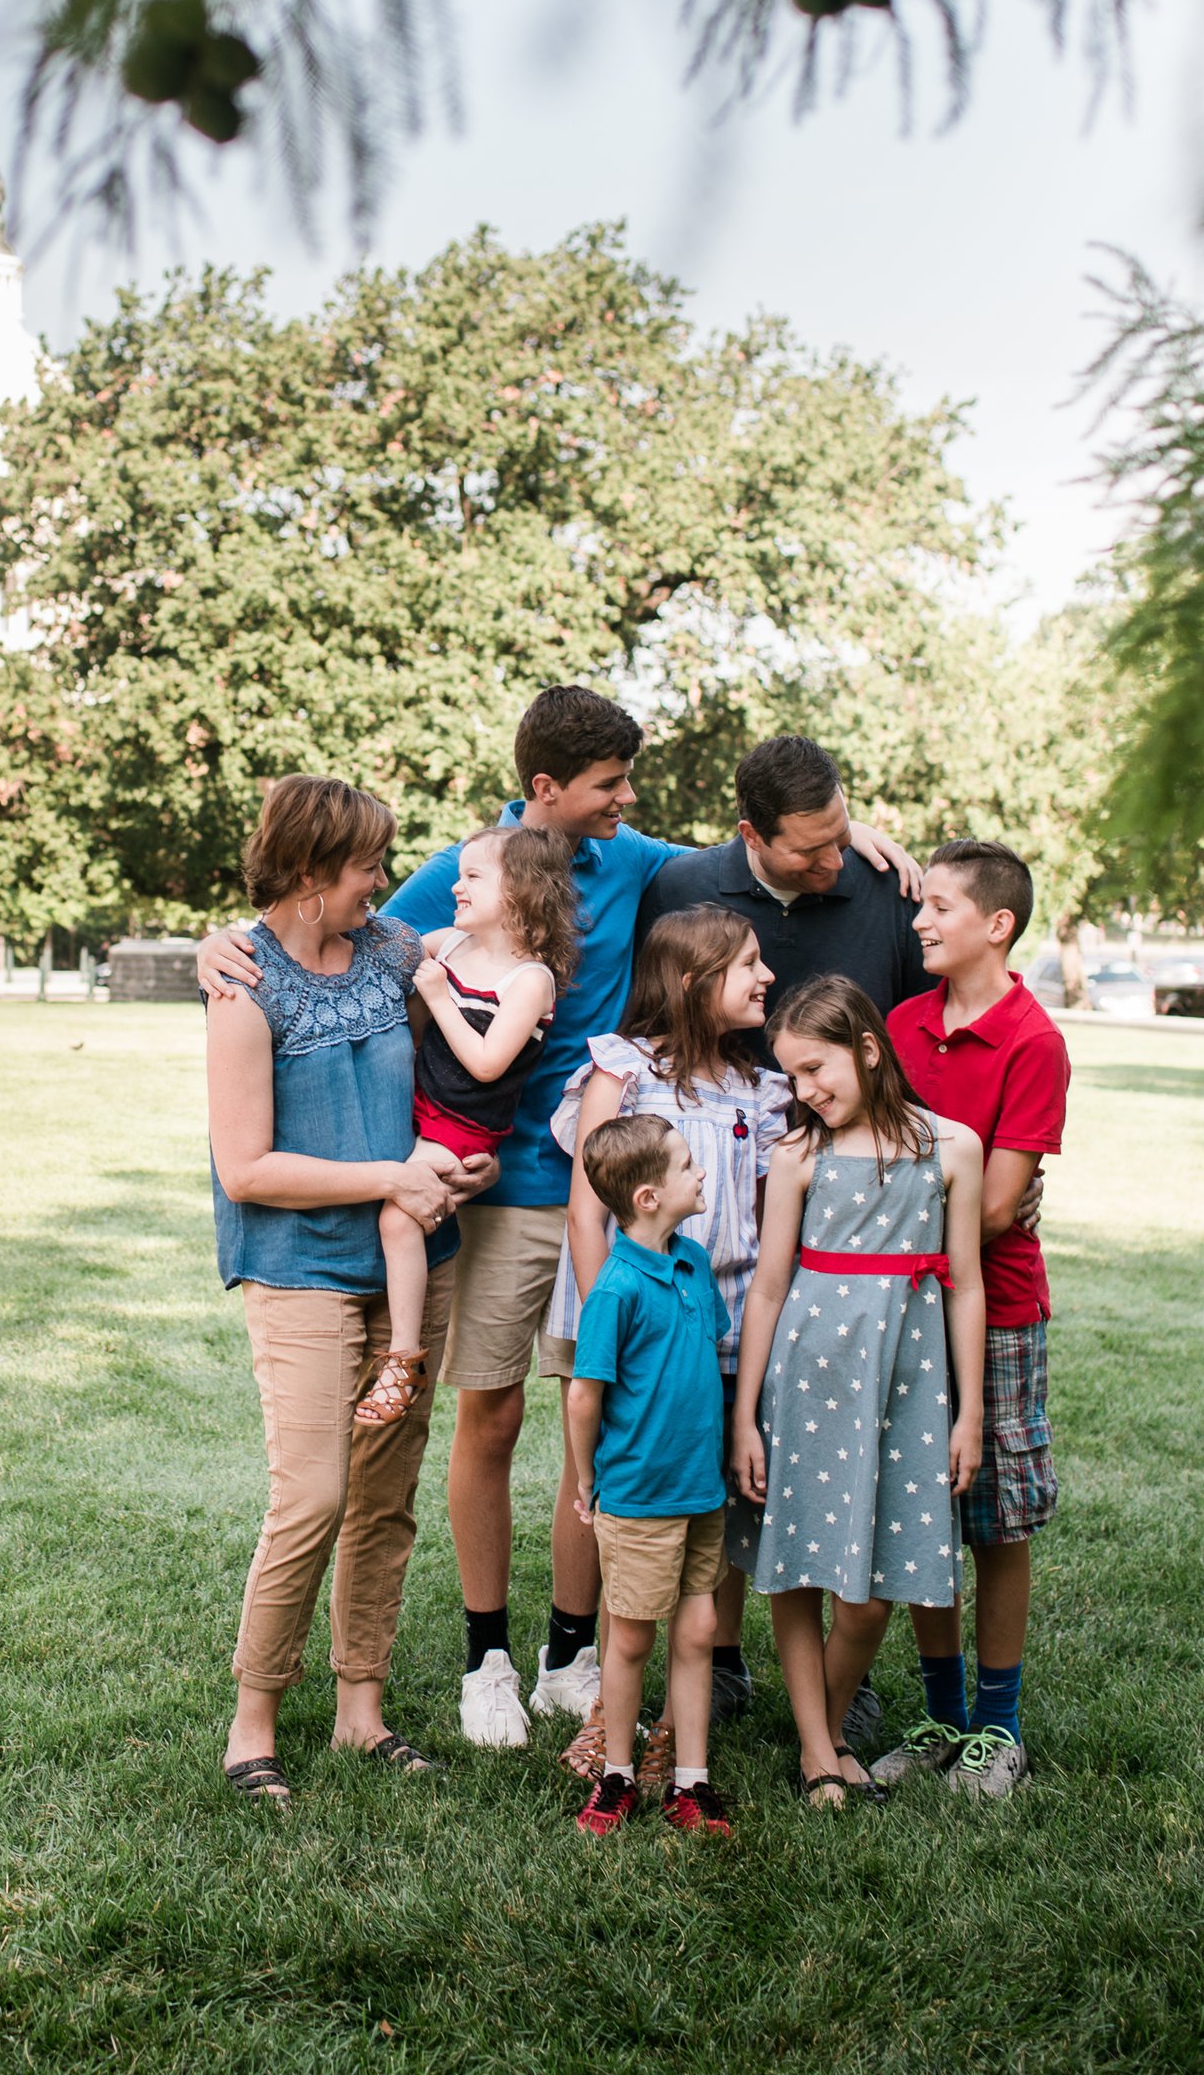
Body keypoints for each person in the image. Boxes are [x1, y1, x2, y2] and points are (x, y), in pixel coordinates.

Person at [198, 687, 919, 1751]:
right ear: (547, 790)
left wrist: (849, 833)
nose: (627, 801)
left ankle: (569, 1654)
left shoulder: (638, 858)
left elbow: (750, 838)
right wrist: (226, 941)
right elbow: (339, 919)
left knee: (616, 1415)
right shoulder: (471, 861)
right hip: (486, 1196)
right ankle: (485, 1656)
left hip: (610, 1190)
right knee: (488, 1419)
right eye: (609, 786)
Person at [204, 773, 497, 1803]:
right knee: (312, 1496)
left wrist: (466, 1163)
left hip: (416, 1264)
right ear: (307, 871)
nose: (384, 879)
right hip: (299, 1271)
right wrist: (391, 1178)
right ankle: (255, 1720)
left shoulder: (393, 953)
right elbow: (246, 1168)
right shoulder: (245, 989)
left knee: (384, 1497)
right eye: (368, 864)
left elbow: (464, 1073)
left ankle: (360, 1709)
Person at [732, 976, 985, 1809]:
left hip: (907, 1389)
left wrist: (970, 1412)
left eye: (816, 1068)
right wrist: (747, 1417)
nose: (805, 1091)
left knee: (871, 1599)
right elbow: (768, 1288)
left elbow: (967, 1286)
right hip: (808, 1381)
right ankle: (818, 1753)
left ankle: (828, 1724)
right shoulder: (798, 1157)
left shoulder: (951, 1149)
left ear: (867, 1049)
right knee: (802, 1568)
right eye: (793, 1077)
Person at [549, 905, 790, 1773]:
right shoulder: (625, 1070)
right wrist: (606, 1319)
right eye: (748, 964)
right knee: (635, 1504)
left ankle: (675, 1720)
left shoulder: (761, 1089)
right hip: (640, 1328)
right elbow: (586, 1209)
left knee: (708, 1507)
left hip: (724, 1326)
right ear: (693, 981)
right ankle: (611, 1706)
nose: (767, 977)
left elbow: (767, 1218)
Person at [878, 838, 1069, 1799]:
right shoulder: (902, 1025)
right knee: (922, 1508)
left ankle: (999, 1724)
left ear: (995, 924)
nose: (920, 920)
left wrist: (905, 1192)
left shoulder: (1034, 1040)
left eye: (940, 906)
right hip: (904, 1303)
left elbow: (995, 1210)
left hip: (997, 1311)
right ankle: (939, 1712)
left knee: (994, 1518)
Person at [354, 821, 576, 1430]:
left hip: (462, 1128)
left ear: (522, 891)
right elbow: (369, 943)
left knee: (398, 1216)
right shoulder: (449, 945)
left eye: (474, 876)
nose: (457, 886)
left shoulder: (530, 979)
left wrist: (437, 995)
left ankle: (403, 1358)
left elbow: (485, 1064)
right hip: (413, 1109)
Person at [565, 1111, 736, 1837]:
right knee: (631, 1639)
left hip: (701, 1490)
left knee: (697, 1631)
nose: (701, 1174)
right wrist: (585, 1480)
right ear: (646, 1197)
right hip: (638, 1495)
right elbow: (584, 1394)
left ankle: (689, 1784)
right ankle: (617, 1776)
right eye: (688, 1165)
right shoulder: (614, 1288)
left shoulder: (692, 1265)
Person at [635, 734, 936, 1038]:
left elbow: (930, 1026)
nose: (835, 862)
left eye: (841, 836)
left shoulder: (893, 888)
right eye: (809, 850)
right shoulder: (676, 891)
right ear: (752, 836)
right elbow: (653, 1025)